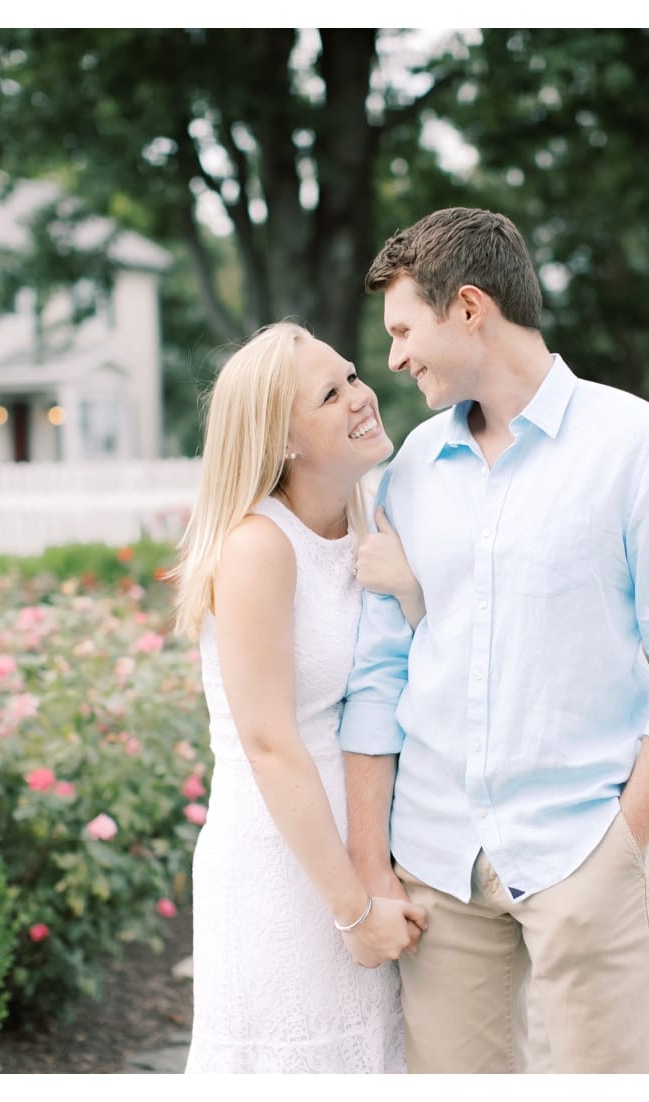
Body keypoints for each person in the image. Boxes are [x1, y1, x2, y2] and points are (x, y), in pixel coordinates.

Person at [339, 207, 649, 1073]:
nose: (395, 358)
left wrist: (620, 847)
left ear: (471, 308)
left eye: (405, 328)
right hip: (438, 863)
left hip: (583, 848)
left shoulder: (639, 447)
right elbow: (380, 673)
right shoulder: (410, 467)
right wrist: (374, 863)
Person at [172, 321, 429, 1073]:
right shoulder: (258, 546)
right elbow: (270, 745)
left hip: (357, 842)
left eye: (351, 376)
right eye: (329, 392)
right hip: (282, 865)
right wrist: (351, 909)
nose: (360, 396)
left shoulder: (364, 521)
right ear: (280, 440)